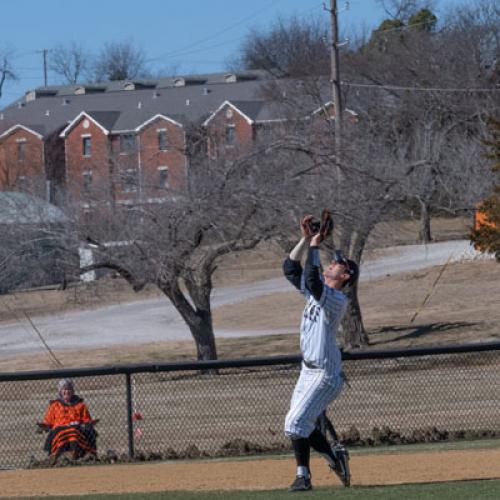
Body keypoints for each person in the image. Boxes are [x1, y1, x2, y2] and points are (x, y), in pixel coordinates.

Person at [282, 214, 358, 492]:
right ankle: (324, 463)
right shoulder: (318, 293)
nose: (332, 264)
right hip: (308, 370)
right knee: (301, 424)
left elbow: (313, 280)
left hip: (326, 375)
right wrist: (304, 241)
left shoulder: (336, 300)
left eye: (338, 264)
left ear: (345, 276)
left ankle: (307, 474)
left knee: (294, 423)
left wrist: (315, 246)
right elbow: (290, 269)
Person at [38, 378, 98, 462]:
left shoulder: (80, 405)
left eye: (69, 389)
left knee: (73, 432)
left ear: (73, 391)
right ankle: (59, 456)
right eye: (64, 389)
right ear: (60, 391)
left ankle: (75, 456)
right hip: (59, 430)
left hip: (77, 429)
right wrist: (43, 426)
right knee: (69, 432)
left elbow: (86, 420)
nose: (67, 391)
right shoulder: (55, 405)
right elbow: (48, 422)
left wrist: (89, 423)